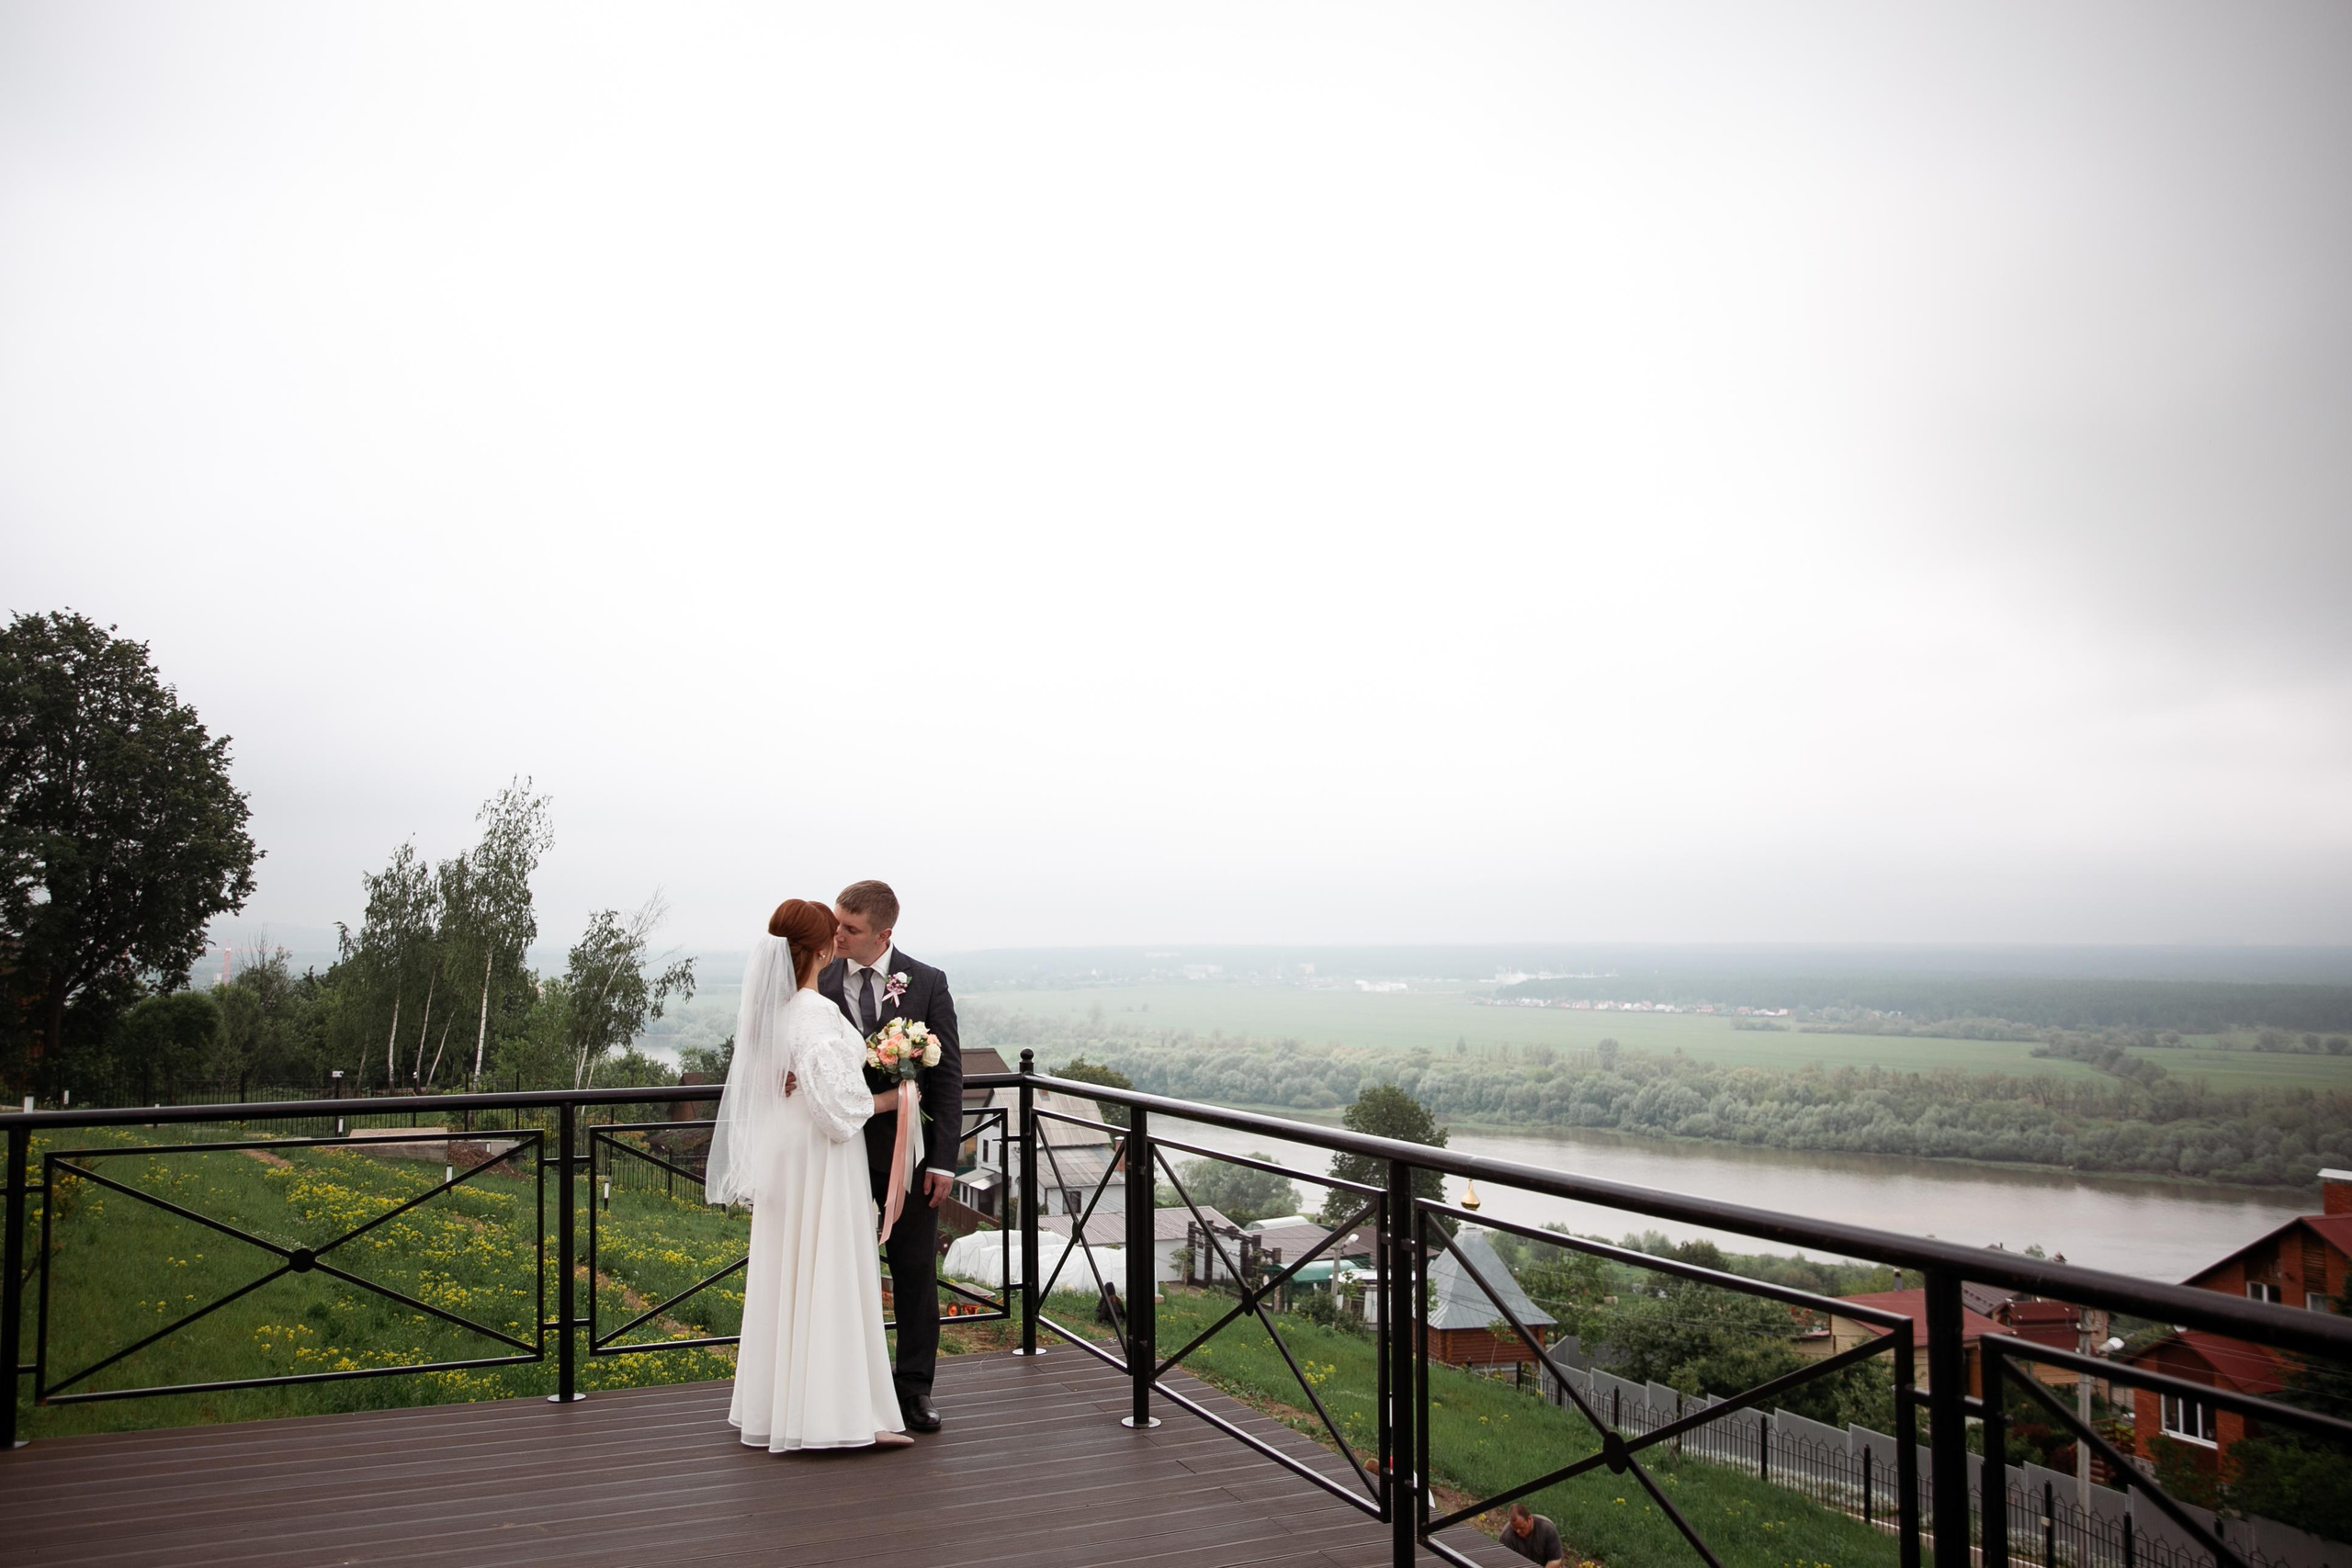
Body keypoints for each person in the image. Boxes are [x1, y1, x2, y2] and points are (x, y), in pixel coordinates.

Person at [707, 897, 910, 1452]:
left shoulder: (773, 1011)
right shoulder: (813, 1011)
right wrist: (899, 1098)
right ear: (820, 949)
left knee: (790, 1269)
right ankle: (838, 1416)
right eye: (834, 934)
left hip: (789, 1151)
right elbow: (840, 1108)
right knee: (829, 1269)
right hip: (823, 1154)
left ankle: (784, 1406)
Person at [810, 879, 963, 1433]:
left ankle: (914, 1391)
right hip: (837, 1154)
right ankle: (846, 1388)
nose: (838, 934)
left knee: (916, 1275)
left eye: (850, 928)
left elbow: (948, 1079)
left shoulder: (927, 982)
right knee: (842, 1275)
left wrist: (945, 1160)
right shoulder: (817, 980)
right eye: (837, 923)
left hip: (910, 1159)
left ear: (884, 934)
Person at [1501, 1503, 1565, 1568]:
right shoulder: (1506, 1537)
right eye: (1514, 1528)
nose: (1518, 1531)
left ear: (1529, 1519)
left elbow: (1555, 1559)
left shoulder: (1547, 1529)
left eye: (1521, 1528)